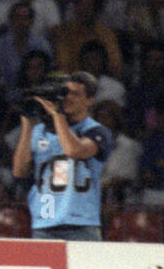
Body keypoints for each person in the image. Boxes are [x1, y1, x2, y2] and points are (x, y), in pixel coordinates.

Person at [12, 71, 113, 240]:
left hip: (82, 224)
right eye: (65, 93)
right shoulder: (40, 131)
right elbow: (19, 171)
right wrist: (27, 126)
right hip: (44, 221)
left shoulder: (97, 131)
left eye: (76, 94)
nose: (68, 98)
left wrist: (57, 114)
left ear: (90, 101)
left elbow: (74, 151)